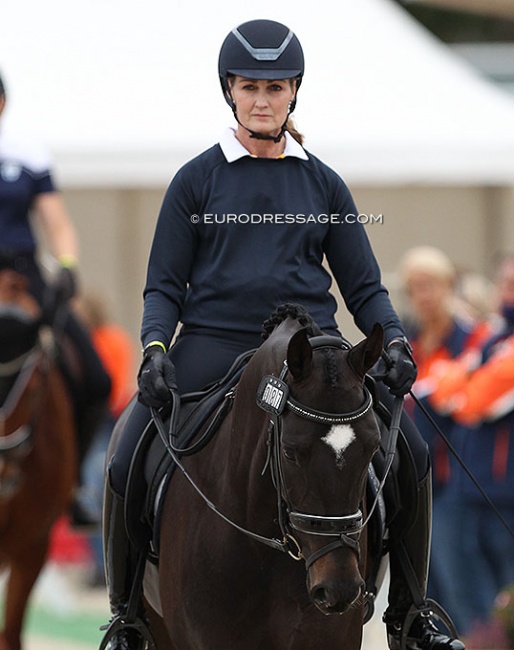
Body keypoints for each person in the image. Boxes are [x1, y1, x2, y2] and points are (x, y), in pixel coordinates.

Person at [102, 20, 463, 650]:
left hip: (311, 356)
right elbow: (163, 286)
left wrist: (396, 340)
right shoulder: (196, 180)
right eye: (250, 87)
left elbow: (365, 288)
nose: (262, 99)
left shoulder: (322, 181)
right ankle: (127, 615)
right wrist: (156, 349)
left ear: (294, 91)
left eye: (275, 86)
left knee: (405, 453)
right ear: (230, 92)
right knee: (128, 452)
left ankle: (410, 612)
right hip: (214, 347)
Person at [0, 72, 112, 526]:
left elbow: (57, 221)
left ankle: (71, 485)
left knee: (98, 377)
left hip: (25, 275)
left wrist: (66, 264)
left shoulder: (27, 151)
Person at [398, 246, 489, 633]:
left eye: (431, 285)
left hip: (459, 482)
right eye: (416, 287)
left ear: (449, 286)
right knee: (424, 586)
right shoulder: (409, 343)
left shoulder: (473, 339)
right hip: (418, 483)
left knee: (461, 587)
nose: (425, 295)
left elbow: (460, 397)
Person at [430, 253, 514, 635]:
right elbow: (444, 393)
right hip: (470, 494)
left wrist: (464, 387)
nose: (509, 291)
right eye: (507, 283)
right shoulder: (493, 338)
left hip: (506, 500)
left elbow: (477, 401)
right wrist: (464, 387)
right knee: (469, 611)